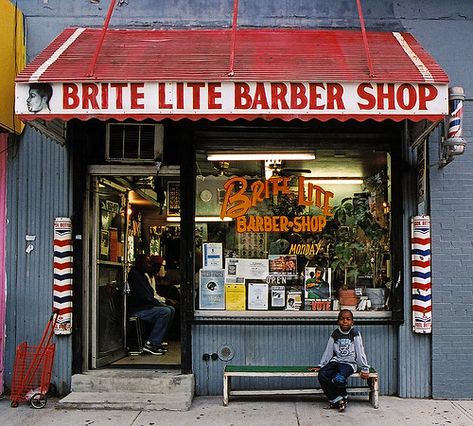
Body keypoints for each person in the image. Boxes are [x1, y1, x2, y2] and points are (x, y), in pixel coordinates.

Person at [313, 309, 370, 412]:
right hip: (336, 361)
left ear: (352, 322)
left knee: (339, 378)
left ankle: (343, 397)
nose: (345, 321)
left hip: (349, 363)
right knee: (322, 375)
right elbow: (328, 350)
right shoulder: (335, 333)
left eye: (348, 319)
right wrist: (322, 365)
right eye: (342, 319)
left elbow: (360, 350)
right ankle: (337, 399)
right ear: (337, 321)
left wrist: (364, 368)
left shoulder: (354, 333)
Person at [127, 254, 175, 355]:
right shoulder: (136, 276)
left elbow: (150, 295)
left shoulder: (141, 275)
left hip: (144, 307)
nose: (148, 266)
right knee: (165, 311)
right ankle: (152, 343)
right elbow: (146, 297)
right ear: (139, 263)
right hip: (138, 309)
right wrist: (160, 304)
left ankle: (157, 341)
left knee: (170, 309)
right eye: (146, 263)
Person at [148, 255, 180, 339]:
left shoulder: (152, 277)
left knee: (172, 309)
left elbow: (155, 294)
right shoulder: (145, 277)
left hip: (153, 301)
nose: (157, 269)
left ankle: (161, 337)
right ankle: (153, 340)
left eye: (158, 267)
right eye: (155, 266)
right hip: (146, 305)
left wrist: (165, 300)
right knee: (166, 311)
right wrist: (165, 301)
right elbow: (151, 296)